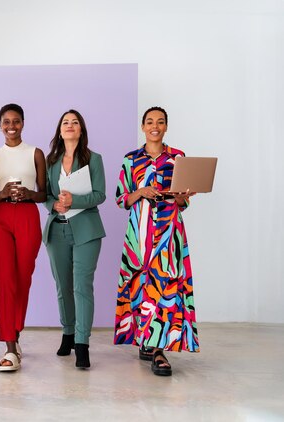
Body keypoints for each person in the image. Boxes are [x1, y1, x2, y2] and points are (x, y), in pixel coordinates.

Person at [114, 106, 198, 376]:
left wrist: (184, 197)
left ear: (166, 127)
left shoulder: (178, 158)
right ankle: (146, 340)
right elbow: (121, 199)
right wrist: (140, 191)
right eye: (150, 121)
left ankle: (159, 350)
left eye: (160, 122)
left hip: (169, 234)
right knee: (141, 286)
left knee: (165, 287)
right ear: (142, 127)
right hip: (139, 235)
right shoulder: (131, 159)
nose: (155, 126)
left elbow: (181, 202)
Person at [43, 109, 106, 369]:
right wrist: (53, 205)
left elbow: (100, 194)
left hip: (86, 231)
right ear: (60, 130)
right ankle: (68, 333)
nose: (70, 126)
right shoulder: (50, 161)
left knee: (82, 286)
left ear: (81, 130)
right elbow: (45, 195)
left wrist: (74, 201)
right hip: (57, 231)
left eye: (75, 122)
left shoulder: (93, 158)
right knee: (63, 286)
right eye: (65, 122)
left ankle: (82, 344)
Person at [0, 103, 46, 372]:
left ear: (23, 123)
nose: (11, 126)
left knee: (23, 278)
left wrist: (28, 194)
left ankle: (16, 332)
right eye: (6, 121)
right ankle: (10, 347)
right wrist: (2, 194)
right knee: (4, 280)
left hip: (27, 216)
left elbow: (44, 193)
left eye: (16, 121)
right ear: (0, 125)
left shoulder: (36, 153)